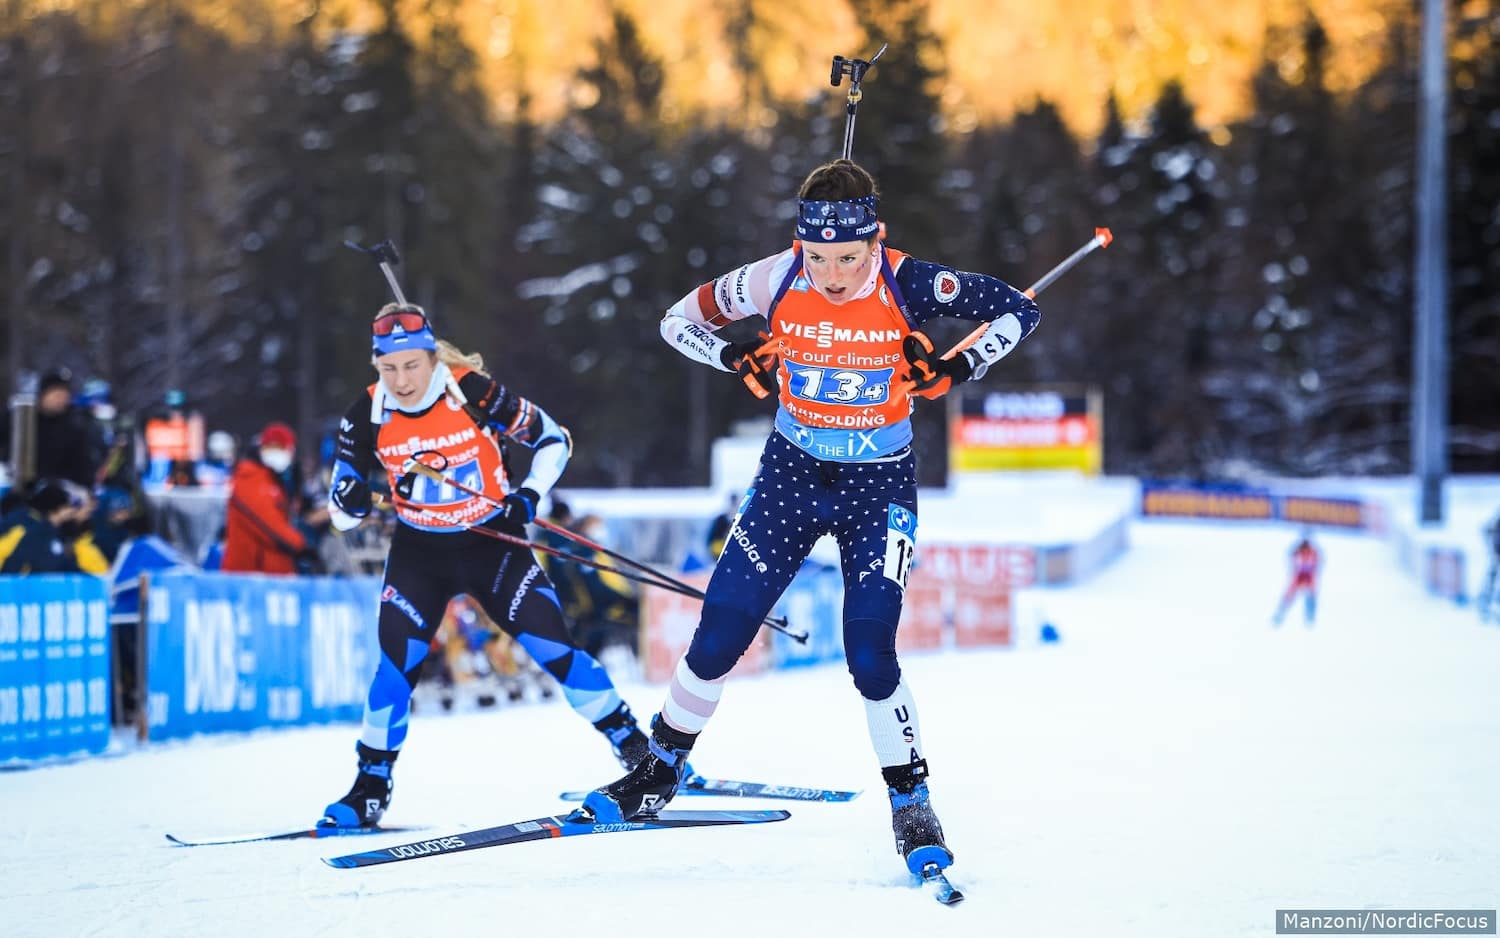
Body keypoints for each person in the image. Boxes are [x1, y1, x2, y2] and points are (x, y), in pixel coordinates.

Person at [577, 158, 1042, 880]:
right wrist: (733, 355)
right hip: (790, 477)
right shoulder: (773, 278)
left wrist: (956, 366)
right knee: (719, 631)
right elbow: (676, 322)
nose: (831, 274)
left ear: (875, 240)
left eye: (848, 258)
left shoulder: (911, 282)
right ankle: (659, 769)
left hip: (878, 488)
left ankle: (912, 803)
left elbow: (1018, 310)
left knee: (870, 652)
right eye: (818, 257)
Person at [317, 302, 650, 828]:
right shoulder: (366, 414)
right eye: (388, 367)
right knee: (394, 670)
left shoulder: (470, 390)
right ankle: (369, 789)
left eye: (411, 365)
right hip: (420, 554)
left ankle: (641, 754)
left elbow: (554, 439)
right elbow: (340, 511)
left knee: (556, 651)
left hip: (493, 546)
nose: (401, 380)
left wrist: (529, 496)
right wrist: (352, 499)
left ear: (432, 358)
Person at [219, 422, 312, 574]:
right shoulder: (249, 478)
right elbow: (269, 525)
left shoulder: (277, 479)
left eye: (281, 448)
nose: (277, 453)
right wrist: (302, 545)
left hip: (271, 573)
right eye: (272, 447)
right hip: (250, 574)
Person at [1272, 533, 1321, 627]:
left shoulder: (1313, 552)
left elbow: (1317, 562)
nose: (1305, 549)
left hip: (1308, 575)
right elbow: (1291, 556)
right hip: (1300, 575)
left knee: (1311, 595)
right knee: (1290, 595)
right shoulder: (1299, 550)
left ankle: (1310, 615)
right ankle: (1280, 613)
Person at [1479, 511, 1500, 624]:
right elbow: (1485, 530)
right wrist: (1490, 549)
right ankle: (1486, 605)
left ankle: (1488, 605)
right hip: (1496, 556)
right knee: (1491, 582)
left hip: (1495, 555)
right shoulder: (1496, 519)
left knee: (1492, 581)